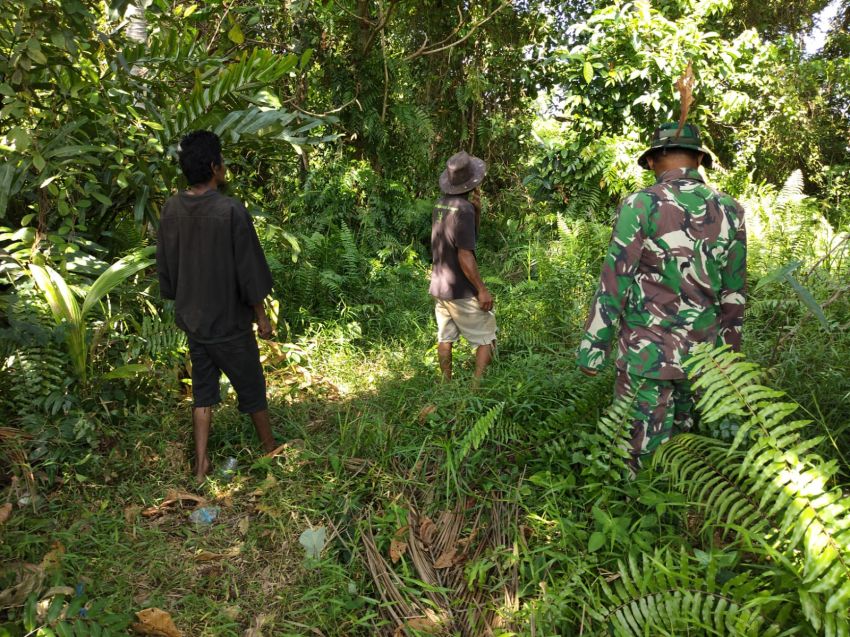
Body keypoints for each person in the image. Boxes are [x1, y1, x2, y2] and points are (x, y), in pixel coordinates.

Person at [576, 123, 747, 470]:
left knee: (635, 455)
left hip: (646, 357)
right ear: (700, 159)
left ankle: (637, 510)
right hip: (705, 360)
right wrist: (730, 360)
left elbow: (615, 281)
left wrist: (594, 349)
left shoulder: (640, 204)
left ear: (653, 161)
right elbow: (734, 292)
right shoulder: (731, 209)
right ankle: (680, 513)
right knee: (689, 453)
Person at [157, 130, 277, 482]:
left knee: (203, 392)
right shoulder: (230, 211)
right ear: (214, 167)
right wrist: (262, 317)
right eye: (221, 161)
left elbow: (166, 268)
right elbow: (249, 272)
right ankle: (270, 447)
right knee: (252, 385)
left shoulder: (171, 208)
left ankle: (200, 463)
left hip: (194, 321)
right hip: (229, 324)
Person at [429, 151, 497, 383]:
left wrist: (476, 212)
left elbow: (460, 237)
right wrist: (481, 289)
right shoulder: (463, 209)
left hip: (440, 286)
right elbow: (465, 254)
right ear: (471, 182)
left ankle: (446, 386)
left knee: (445, 338)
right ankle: (476, 391)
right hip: (460, 289)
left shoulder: (440, 205)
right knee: (486, 338)